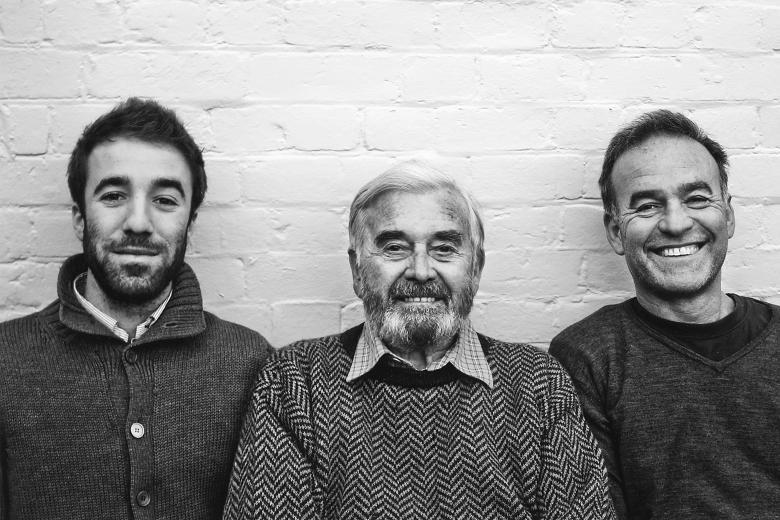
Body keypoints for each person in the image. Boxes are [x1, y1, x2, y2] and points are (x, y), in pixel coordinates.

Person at [222, 161, 614, 520]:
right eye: (394, 248)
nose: (421, 271)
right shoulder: (294, 380)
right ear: (357, 269)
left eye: (444, 248)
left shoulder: (537, 381)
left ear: (476, 269)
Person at [0, 97, 271, 520]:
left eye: (165, 200)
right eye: (113, 196)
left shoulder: (250, 362)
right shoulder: (6, 359)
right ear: (79, 218)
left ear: (190, 223)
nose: (139, 223)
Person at [550, 110, 780, 519]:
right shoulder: (588, 357)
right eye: (648, 205)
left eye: (697, 199)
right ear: (616, 232)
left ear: (728, 216)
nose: (676, 223)